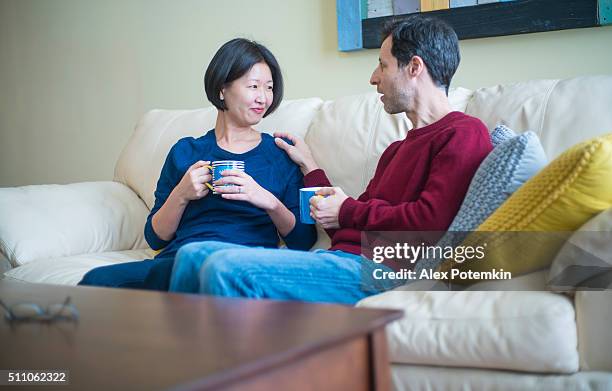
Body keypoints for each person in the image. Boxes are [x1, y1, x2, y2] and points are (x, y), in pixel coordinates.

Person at [168, 15, 493, 304]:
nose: (373, 78)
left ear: (414, 68)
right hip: (342, 258)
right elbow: (345, 226)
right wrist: (310, 167)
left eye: (382, 65)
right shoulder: (396, 151)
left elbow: (430, 224)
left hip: (383, 270)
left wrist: (348, 210)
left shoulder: (463, 133)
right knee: (193, 256)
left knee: (223, 268)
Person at [78, 38, 316, 290]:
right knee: (96, 281)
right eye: (253, 86)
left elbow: (303, 240)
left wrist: (267, 200)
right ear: (222, 89)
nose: (263, 98)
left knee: (208, 276)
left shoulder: (279, 154)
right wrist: (181, 194)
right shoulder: (186, 151)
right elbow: (155, 237)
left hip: (239, 265)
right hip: (179, 261)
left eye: (269, 88)